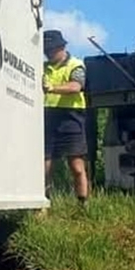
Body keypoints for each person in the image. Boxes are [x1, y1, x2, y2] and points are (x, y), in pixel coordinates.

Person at [41, 29, 90, 205]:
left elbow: (76, 87)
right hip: (47, 118)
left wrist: (51, 88)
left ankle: (82, 204)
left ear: (61, 47)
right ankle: (43, 204)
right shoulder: (42, 67)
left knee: (76, 166)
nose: (48, 53)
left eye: (51, 49)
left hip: (71, 119)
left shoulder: (76, 65)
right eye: (46, 50)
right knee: (44, 166)